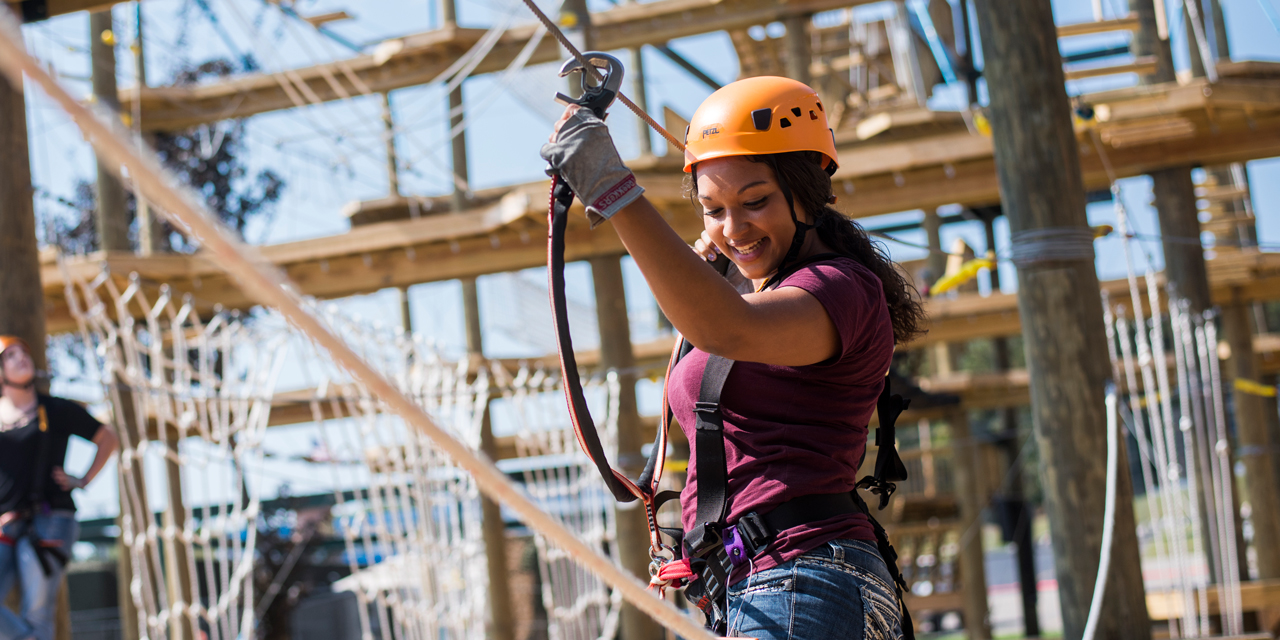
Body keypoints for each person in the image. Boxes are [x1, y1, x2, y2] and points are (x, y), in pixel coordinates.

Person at [541, 76, 925, 639]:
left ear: (808, 193)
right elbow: (719, 322)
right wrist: (721, 266)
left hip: (801, 576)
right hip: (764, 585)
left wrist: (613, 190)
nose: (733, 228)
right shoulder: (760, 293)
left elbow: (726, 327)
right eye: (712, 209)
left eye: (754, 202)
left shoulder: (841, 289)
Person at [0, 336, 118, 640]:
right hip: (7, 526)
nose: (21, 358)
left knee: (37, 614)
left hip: (50, 520)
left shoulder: (54, 410)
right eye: (11, 356)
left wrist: (83, 479)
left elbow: (108, 437)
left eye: (24, 353)